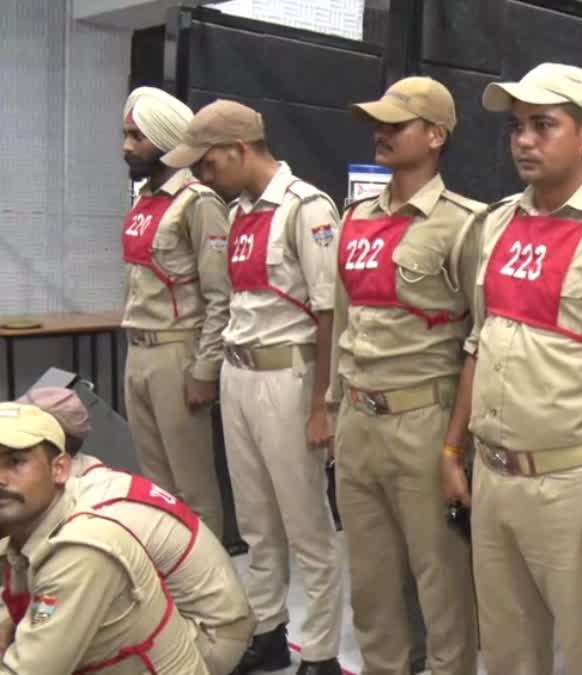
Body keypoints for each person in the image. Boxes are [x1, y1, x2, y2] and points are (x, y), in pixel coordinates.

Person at [439, 62, 582, 675]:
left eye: (543, 125)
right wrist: (453, 449)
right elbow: (480, 344)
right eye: (516, 127)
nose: (524, 140)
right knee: (508, 655)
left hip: (570, 485)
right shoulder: (496, 223)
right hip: (494, 479)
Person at [163, 100, 345, 675]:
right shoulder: (238, 212)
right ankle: (268, 630)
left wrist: (322, 404)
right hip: (239, 375)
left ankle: (320, 650)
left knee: (306, 523)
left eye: (208, 162)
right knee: (256, 522)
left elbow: (329, 313)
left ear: (240, 149)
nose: (202, 174)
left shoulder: (306, 208)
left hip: (288, 376)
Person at [329, 76, 482, 675]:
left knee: (442, 581)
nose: (381, 132)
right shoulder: (355, 219)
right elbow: (343, 319)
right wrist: (332, 407)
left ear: (437, 135)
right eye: (378, 123)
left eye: (397, 124)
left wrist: (456, 446)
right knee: (370, 584)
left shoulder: (465, 224)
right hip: (358, 419)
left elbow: (481, 340)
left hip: (424, 419)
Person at [16, 386, 256, 675]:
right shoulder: (89, 474)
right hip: (207, 617)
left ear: (56, 457)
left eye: (16, 458)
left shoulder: (91, 517)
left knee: (67, 628)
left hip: (211, 636)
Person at [120, 86, 230, 540]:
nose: (127, 146)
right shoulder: (145, 200)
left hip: (177, 352)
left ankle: (210, 577)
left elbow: (220, 296)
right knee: (157, 487)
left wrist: (205, 369)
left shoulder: (198, 202)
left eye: (137, 136)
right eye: (126, 135)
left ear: (165, 139)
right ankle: (171, 576)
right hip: (138, 349)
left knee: (193, 486)